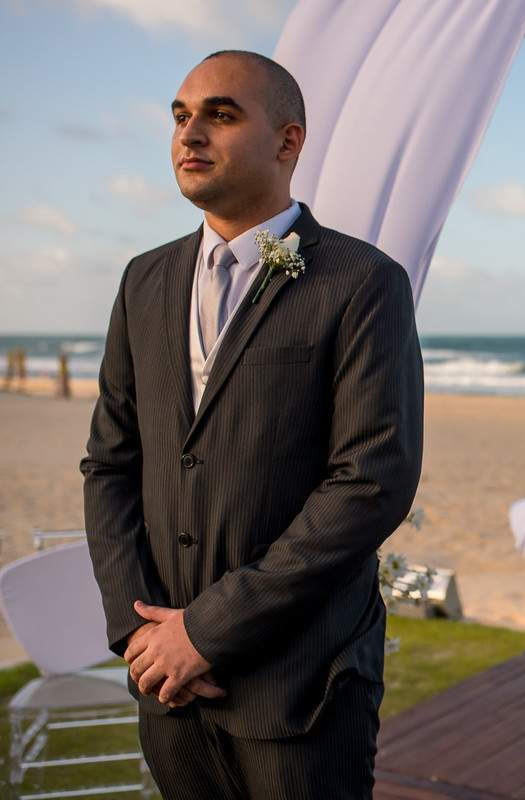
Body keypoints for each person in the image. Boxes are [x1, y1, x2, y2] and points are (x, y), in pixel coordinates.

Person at [81, 50, 423, 799]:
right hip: (167, 685)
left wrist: (207, 631)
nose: (189, 133)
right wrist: (139, 631)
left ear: (288, 141)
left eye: (221, 114)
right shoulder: (143, 280)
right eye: (180, 116)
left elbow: (371, 482)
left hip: (301, 687)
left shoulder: (362, 282)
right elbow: (110, 464)